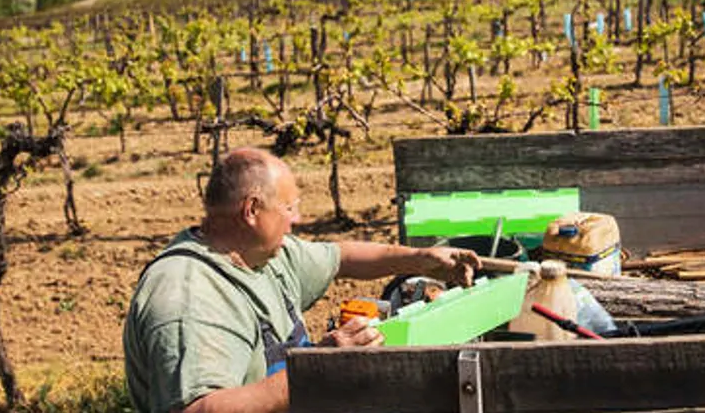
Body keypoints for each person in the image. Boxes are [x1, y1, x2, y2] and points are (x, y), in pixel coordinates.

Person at [123, 146, 481, 413]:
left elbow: (339, 256)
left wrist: (422, 259)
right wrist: (321, 368)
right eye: (289, 208)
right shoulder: (192, 298)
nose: (296, 220)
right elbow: (197, 410)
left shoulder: (264, 255)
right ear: (251, 211)